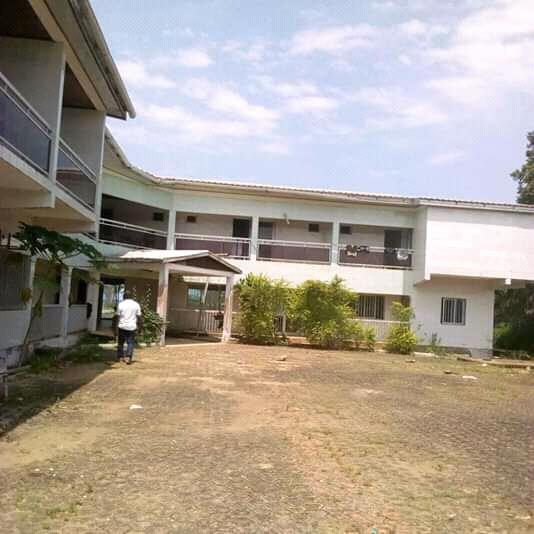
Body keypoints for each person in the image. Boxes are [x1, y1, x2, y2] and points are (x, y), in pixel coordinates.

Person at [114, 292, 142, 364]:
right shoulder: (136, 304)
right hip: (132, 327)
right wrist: (140, 328)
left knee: (120, 343)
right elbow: (139, 317)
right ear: (131, 297)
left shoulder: (121, 304)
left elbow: (117, 317)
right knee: (130, 343)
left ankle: (120, 357)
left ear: (124, 297)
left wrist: (115, 328)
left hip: (122, 326)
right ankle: (128, 357)